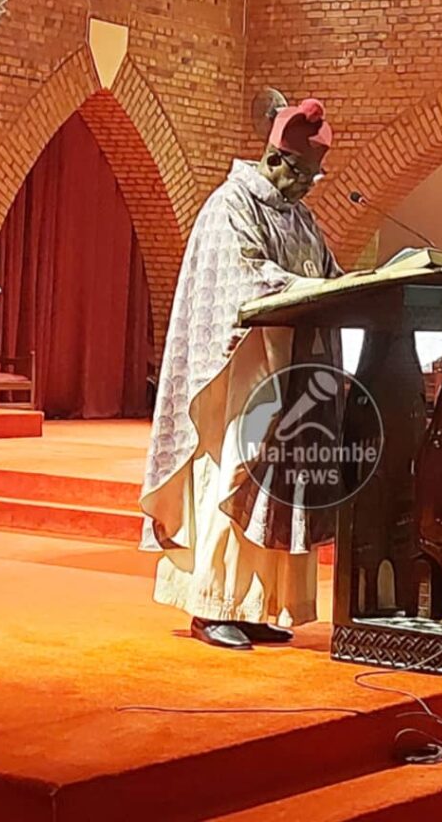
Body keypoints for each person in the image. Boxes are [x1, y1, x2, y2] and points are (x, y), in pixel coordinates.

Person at [141, 99, 342, 650]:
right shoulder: (230, 205)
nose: (307, 187)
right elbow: (245, 277)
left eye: (314, 177)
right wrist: (312, 290)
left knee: (275, 488)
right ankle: (212, 605)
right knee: (236, 473)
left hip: (290, 371)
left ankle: (255, 606)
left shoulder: (300, 217)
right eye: (302, 175)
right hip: (241, 372)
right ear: (275, 159)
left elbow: (328, 275)